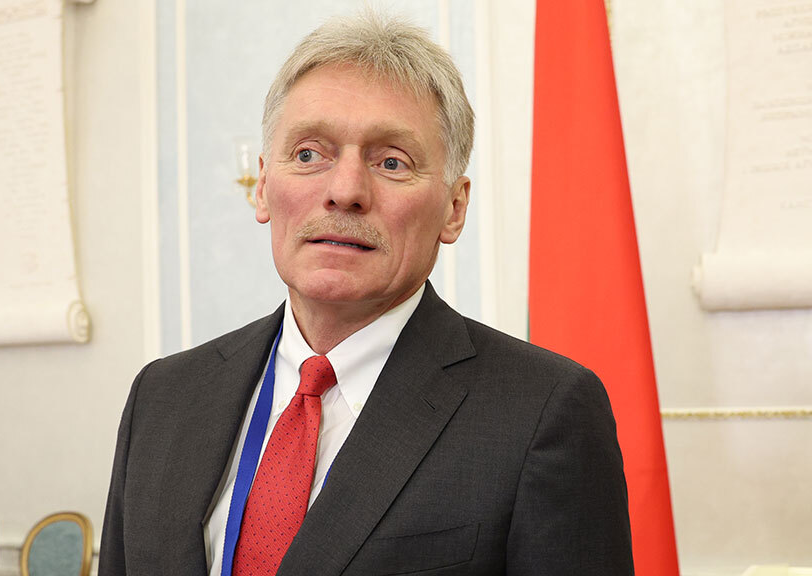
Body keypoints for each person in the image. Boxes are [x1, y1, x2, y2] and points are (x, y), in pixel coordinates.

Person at [99, 11, 633, 576]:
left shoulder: (543, 412)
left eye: (391, 162)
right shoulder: (162, 398)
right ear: (263, 186)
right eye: (309, 154)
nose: (345, 190)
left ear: (454, 208)